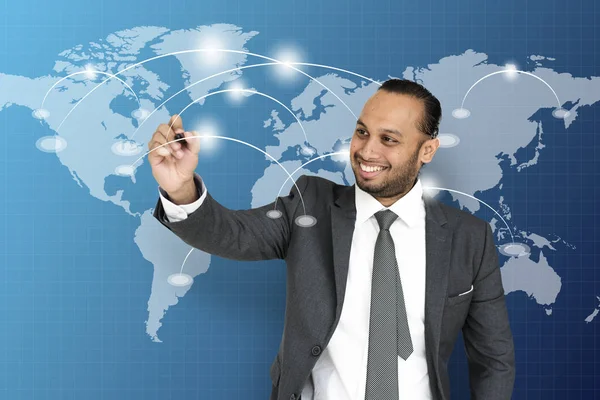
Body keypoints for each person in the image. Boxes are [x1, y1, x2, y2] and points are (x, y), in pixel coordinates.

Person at [149, 79, 515, 400]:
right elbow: (232, 234)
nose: (367, 151)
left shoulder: (469, 238)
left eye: (389, 139)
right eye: (362, 132)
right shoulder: (309, 207)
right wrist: (180, 188)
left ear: (427, 151)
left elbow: (494, 358)